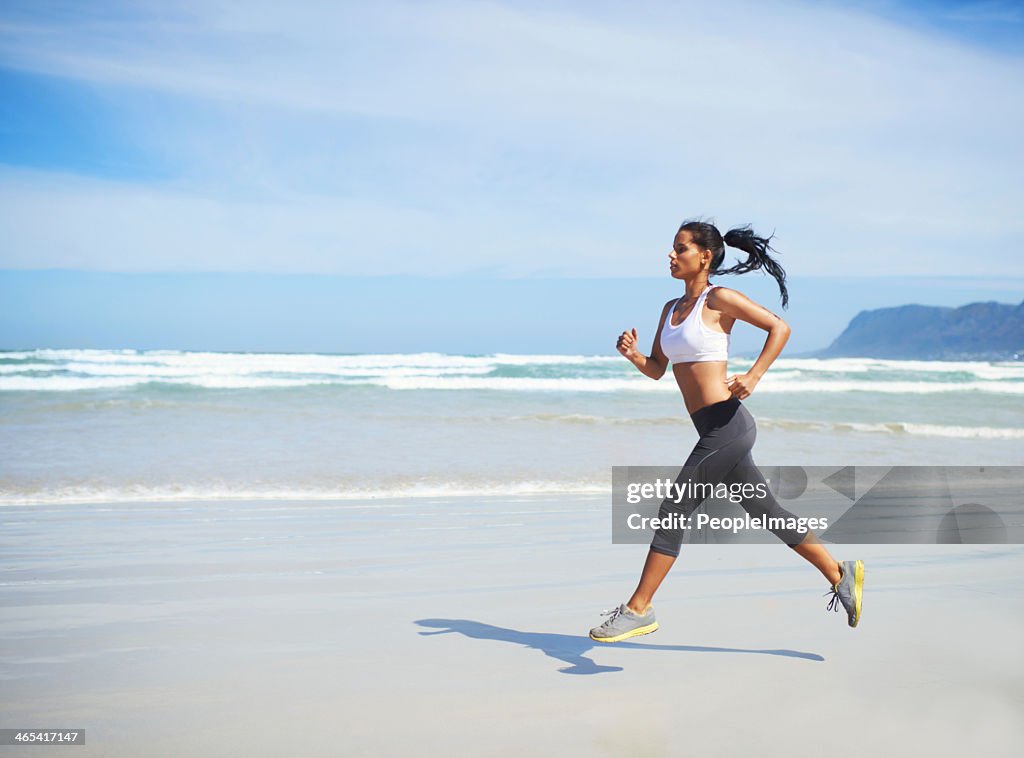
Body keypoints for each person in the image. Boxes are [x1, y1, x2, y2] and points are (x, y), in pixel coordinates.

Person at [590, 219, 863, 643]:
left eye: (680, 249)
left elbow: (779, 327)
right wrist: (634, 356)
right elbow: (659, 370)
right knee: (767, 512)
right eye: (673, 249)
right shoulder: (670, 310)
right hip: (713, 429)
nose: (672, 255)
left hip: (728, 425)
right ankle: (838, 573)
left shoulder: (719, 299)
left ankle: (638, 609)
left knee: (672, 512)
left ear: (705, 256)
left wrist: (755, 375)